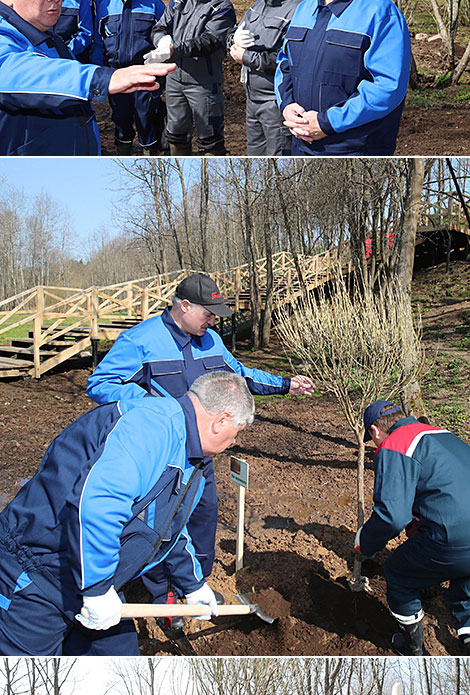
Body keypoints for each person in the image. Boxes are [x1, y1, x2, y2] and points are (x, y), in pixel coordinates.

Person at [86, 270, 314, 606]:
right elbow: (100, 385)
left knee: (204, 517)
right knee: (158, 525)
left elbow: (239, 376)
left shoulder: (211, 341)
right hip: (159, 459)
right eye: (207, 314)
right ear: (185, 306)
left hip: (200, 454)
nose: (212, 321)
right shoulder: (141, 341)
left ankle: (195, 587)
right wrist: (156, 406)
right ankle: (163, 598)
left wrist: (285, 384)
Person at [0, 370, 254, 657]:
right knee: (29, 687)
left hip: (96, 580)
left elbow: (168, 527)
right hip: (40, 577)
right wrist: (95, 589)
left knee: (119, 672)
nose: (233, 442)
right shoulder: (150, 427)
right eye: (237, 432)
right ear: (220, 421)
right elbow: (98, 505)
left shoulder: (188, 455)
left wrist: (193, 585)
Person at [0, 0, 174, 155]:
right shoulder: (7, 35)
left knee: (146, 120)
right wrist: (99, 77)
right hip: (35, 172)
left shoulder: (49, 38)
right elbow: (13, 71)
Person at [275, 0, 411, 155]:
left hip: (355, 149)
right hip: (301, 144)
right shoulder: (303, 10)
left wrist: (327, 122)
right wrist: (286, 105)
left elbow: (387, 87)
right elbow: (284, 63)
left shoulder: (381, 13)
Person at [355, 400, 470, 655]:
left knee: (397, 573)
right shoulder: (443, 434)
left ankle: (412, 648)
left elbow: (392, 516)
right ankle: (467, 633)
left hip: (453, 534)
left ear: (374, 431)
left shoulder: (395, 445)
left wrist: (365, 544)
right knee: (465, 571)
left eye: (372, 438)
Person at [148, 0, 236, 154]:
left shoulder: (222, 6)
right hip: (174, 81)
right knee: (175, 135)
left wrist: (173, 50)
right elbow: (159, 27)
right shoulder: (179, 2)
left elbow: (209, 41)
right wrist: (162, 41)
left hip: (204, 83)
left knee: (210, 140)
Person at [229, 0, 303, 155]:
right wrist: (233, 41)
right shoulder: (258, 5)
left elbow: (288, 60)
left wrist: (245, 57)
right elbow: (234, 31)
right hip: (251, 99)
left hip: (276, 102)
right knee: (254, 157)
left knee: (278, 157)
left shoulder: (299, 10)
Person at [99, 0, 166, 152]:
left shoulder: (154, 5)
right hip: (116, 74)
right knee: (121, 121)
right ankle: (123, 154)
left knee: (147, 119)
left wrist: (161, 77)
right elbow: (97, 41)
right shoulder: (106, 6)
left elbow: (163, 40)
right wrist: (101, 73)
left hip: (145, 74)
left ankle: (150, 156)